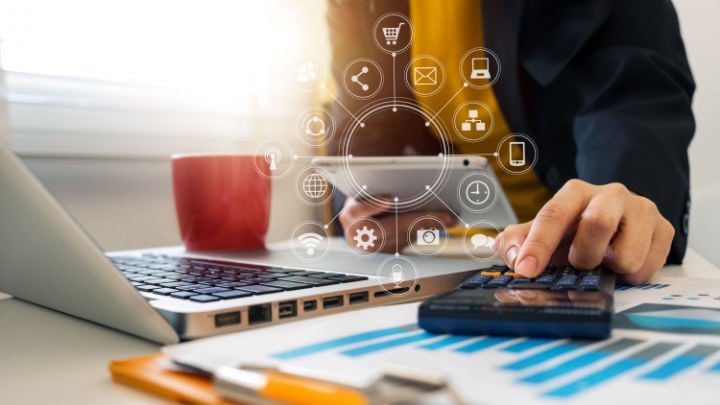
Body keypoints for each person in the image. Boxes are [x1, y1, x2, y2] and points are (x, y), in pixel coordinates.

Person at [324, 0, 695, 285]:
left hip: (569, 252)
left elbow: (632, 92)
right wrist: (361, 211)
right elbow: (358, 126)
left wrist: (619, 203)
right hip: (442, 254)